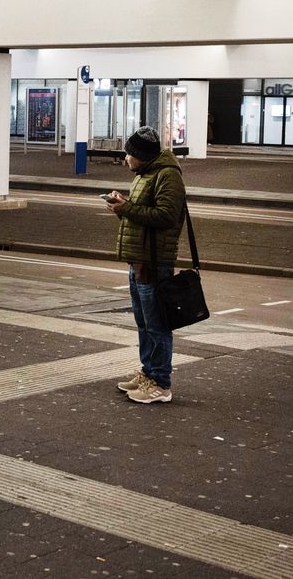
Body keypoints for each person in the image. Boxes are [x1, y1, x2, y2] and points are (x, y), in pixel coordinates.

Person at [103, 126, 187, 404]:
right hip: (139, 260)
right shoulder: (145, 175)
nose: (125, 157)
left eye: (129, 153)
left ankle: (161, 384)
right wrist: (122, 207)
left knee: (157, 325)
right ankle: (148, 374)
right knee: (144, 323)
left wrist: (126, 208)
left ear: (141, 155)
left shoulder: (168, 176)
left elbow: (166, 216)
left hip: (154, 262)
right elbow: (142, 218)